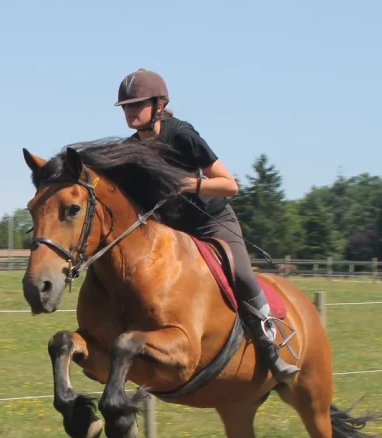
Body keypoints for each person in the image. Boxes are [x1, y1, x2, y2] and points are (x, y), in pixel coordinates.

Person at [115, 68, 299, 384]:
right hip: (175, 233)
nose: (131, 111)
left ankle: (271, 343)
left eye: (137, 104)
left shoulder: (181, 134)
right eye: (126, 107)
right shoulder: (129, 150)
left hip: (213, 223)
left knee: (241, 274)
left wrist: (187, 184)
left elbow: (229, 185)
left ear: (159, 104)